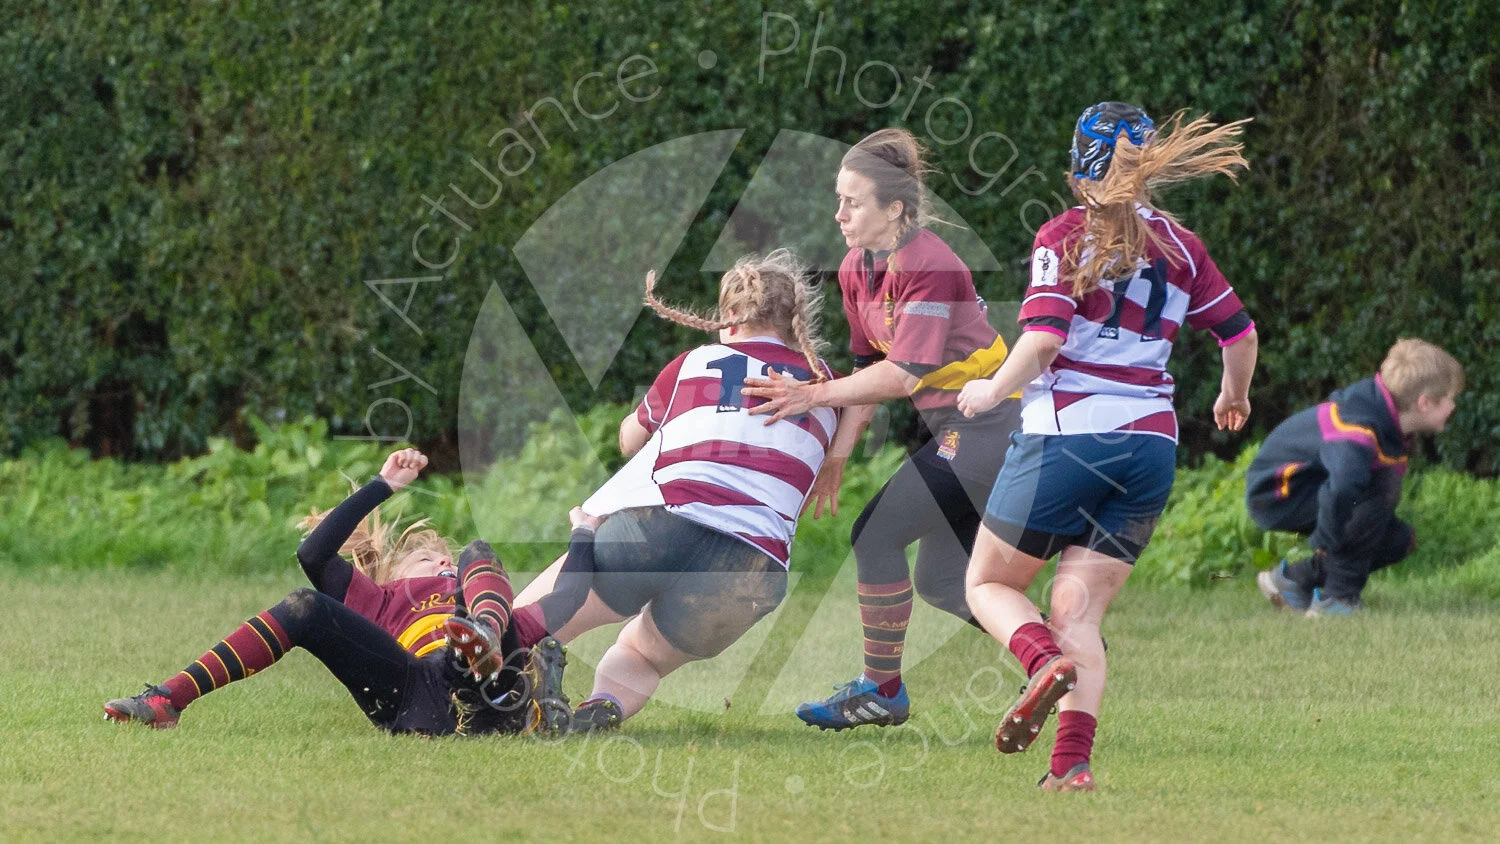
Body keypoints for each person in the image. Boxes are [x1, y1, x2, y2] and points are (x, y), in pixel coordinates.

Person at [955, 103, 1258, 791]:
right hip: (1149, 447)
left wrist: (992, 390)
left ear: (1077, 160)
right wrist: (1233, 397)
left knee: (989, 584)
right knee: (1079, 611)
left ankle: (1039, 663)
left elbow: (1044, 340)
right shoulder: (1183, 247)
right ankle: (1071, 768)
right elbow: (1239, 335)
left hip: (1069, 437)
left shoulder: (1064, 234)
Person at [740, 127, 1023, 731]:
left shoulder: (931, 265)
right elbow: (869, 371)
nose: (839, 213)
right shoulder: (855, 268)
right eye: (838, 198)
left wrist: (809, 395)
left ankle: (881, 690)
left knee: (875, 537)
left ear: (895, 209)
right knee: (948, 582)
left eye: (853, 201)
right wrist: (837, 458)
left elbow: (902, 376)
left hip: (996, 422)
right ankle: (1055, 651)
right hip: (962, 426)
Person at [501, 250, 841, 730]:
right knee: (642, 654)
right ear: (797, 320)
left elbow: (631, 438)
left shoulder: (696, 362)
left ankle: (479, 688)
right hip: (753, 567)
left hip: (661, 524)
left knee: (528, 621)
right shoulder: (829, 388)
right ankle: (601, 709)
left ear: (728, 318)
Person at [104, 448, 568, 735]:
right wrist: (382, 485)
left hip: (492, 696)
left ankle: (487, 645)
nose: (442, 562)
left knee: (481, 553)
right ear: (392, 574)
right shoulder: (380, 600)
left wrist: (585, 534)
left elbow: (569, 597)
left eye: (446, 559)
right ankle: (167, 700)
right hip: (416, 696)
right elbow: (314, 555)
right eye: (426, 559)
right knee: (303, 605)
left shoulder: (488, 592)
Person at [1250, 338, 1462, 615]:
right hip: (1279, 492)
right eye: (1450, 399)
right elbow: (1342, 489)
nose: (1454, 407)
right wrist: (1326, 539)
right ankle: (1337, 601)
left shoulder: (1386, 422)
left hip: (1317, 488)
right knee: (1379, 490)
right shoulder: (1358, 430)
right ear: (1424, 403)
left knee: (1397, 539)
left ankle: (1293, 580)